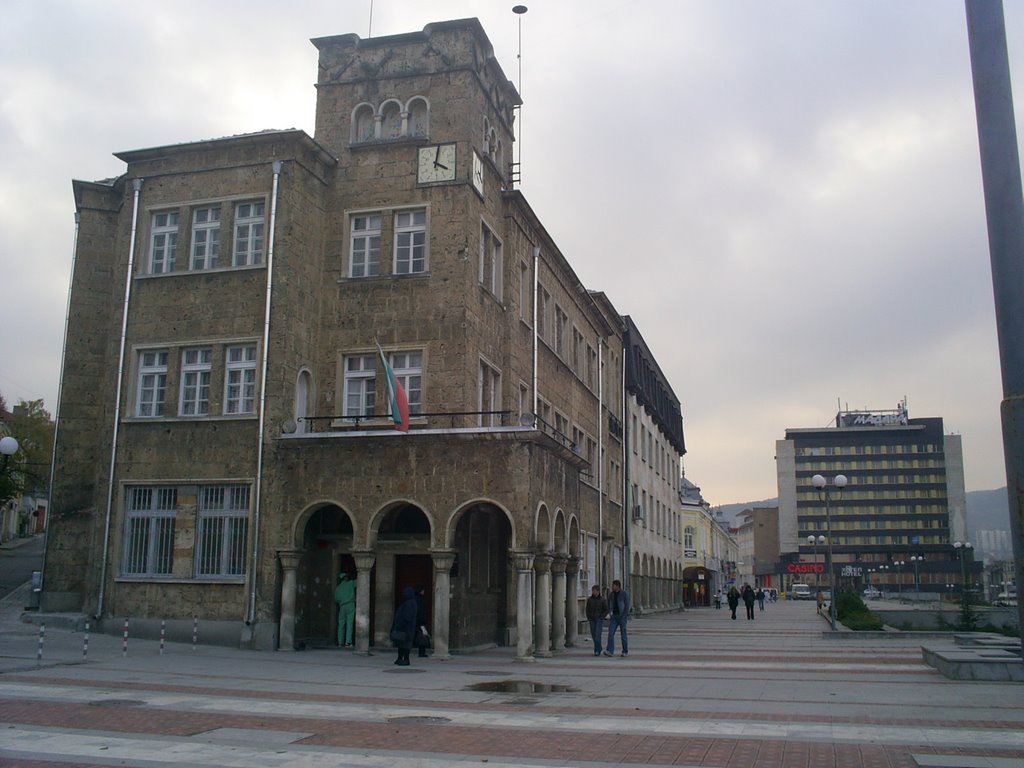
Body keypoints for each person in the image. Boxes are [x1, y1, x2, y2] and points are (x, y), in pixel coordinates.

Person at [391, 586, 418, 666]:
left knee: (405, 645)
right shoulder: (409, 602)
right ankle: (399, 659)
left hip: (406, 629)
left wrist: (400, 624)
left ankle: (406, 659)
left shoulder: (410, 603)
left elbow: (407, 616)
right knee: (401, 644)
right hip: (406, 629)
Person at [603, 579, 630, 657]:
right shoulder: (611, 594)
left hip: (622, 617)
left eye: (613, 585)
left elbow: (627, 605)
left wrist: (624, 615)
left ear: (617, 586)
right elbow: (608, 603)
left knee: (623, 634)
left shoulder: (624, 594)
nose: (612, 587)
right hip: (614, 617)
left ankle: (625, 651)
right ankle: (610, 651)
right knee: (611, 633)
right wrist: (610, 612)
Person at [334, 572, 356, 648]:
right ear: (346, 578)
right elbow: (360, 582)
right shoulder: (351, 583)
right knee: (349, 623)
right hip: (350, 605)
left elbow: (336, 599)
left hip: (342, 606)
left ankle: (340, 642)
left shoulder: (338, 588)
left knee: (341, 624)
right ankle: (348, 642)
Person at [585, 584, 608, 656]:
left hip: (599, 619)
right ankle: (599, 647)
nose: (593, 592)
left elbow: (606, 609)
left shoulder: (602, 600)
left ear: (598, 592)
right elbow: (587, 609)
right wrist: (588, 617)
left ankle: (597, 650)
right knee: (593, 635)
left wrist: (602, 617)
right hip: (592, 619)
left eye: (595, 591)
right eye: (593, 591)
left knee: (598, 635)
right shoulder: (589, 600)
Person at [414, 585, 430, 658]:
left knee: (420, 636)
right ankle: (421, 652)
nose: (424, 592)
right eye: (423, 590)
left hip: (417, 621)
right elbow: (421, 612)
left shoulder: (416, 600)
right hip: (420, 622)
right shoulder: (419, 600)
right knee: (422, 636)